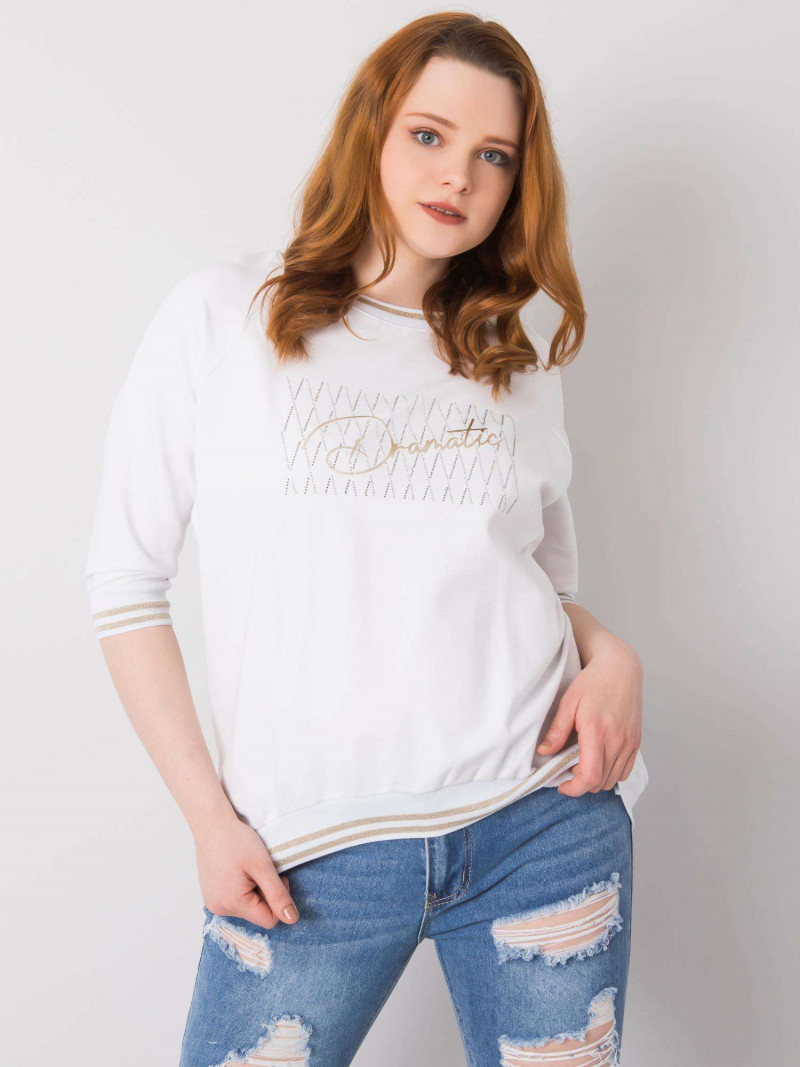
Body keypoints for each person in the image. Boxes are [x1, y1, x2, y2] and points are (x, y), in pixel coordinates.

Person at [85, 12, 649, 1066]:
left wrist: (611, 655)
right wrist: (209, 820)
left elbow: (528, 584)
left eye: (494, 155)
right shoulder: (226, 317)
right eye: (429, 135)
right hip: (307, 857)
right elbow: (125, 583)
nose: (458, 176)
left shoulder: (512, 360)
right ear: (371, 132)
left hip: (540, 825)